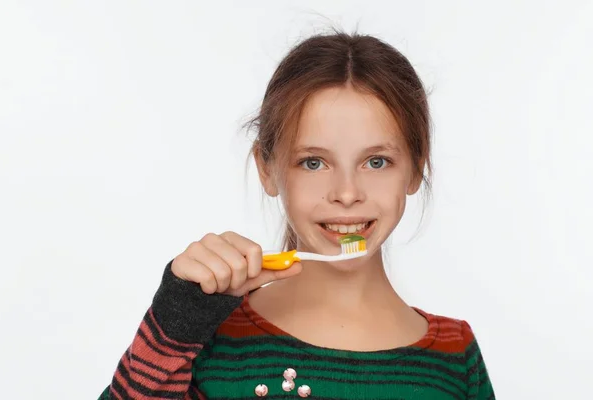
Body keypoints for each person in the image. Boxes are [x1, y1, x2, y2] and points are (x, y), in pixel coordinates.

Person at [98, 31, 495, 399]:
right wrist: (177, 316)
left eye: (376, 162)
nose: (346, 194)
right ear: (267, 169)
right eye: (312, 163)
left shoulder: (455, 358)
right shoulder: (204, 336)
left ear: (415, 169)